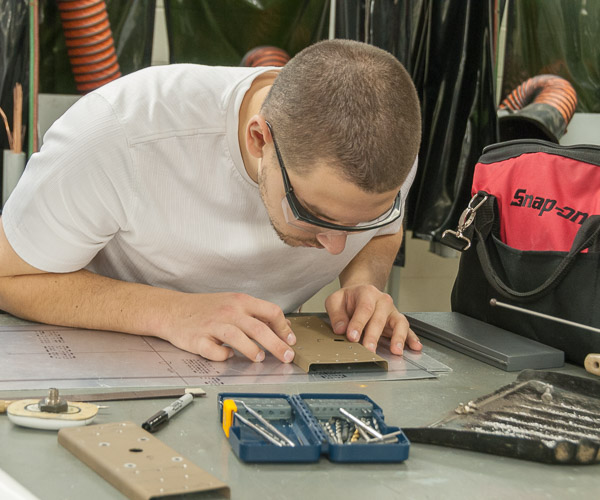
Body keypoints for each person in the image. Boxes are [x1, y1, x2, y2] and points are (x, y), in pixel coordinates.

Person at [0, 39, 422, 364]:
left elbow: (383, 232)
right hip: (98, 365)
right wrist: (170, 313)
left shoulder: (386, 151)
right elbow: (8, 278)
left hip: (257, 369)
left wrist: (363, 284)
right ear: (260, 140)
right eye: (312, 214)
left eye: (356, 223)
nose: (335, 246)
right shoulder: (120, 134)